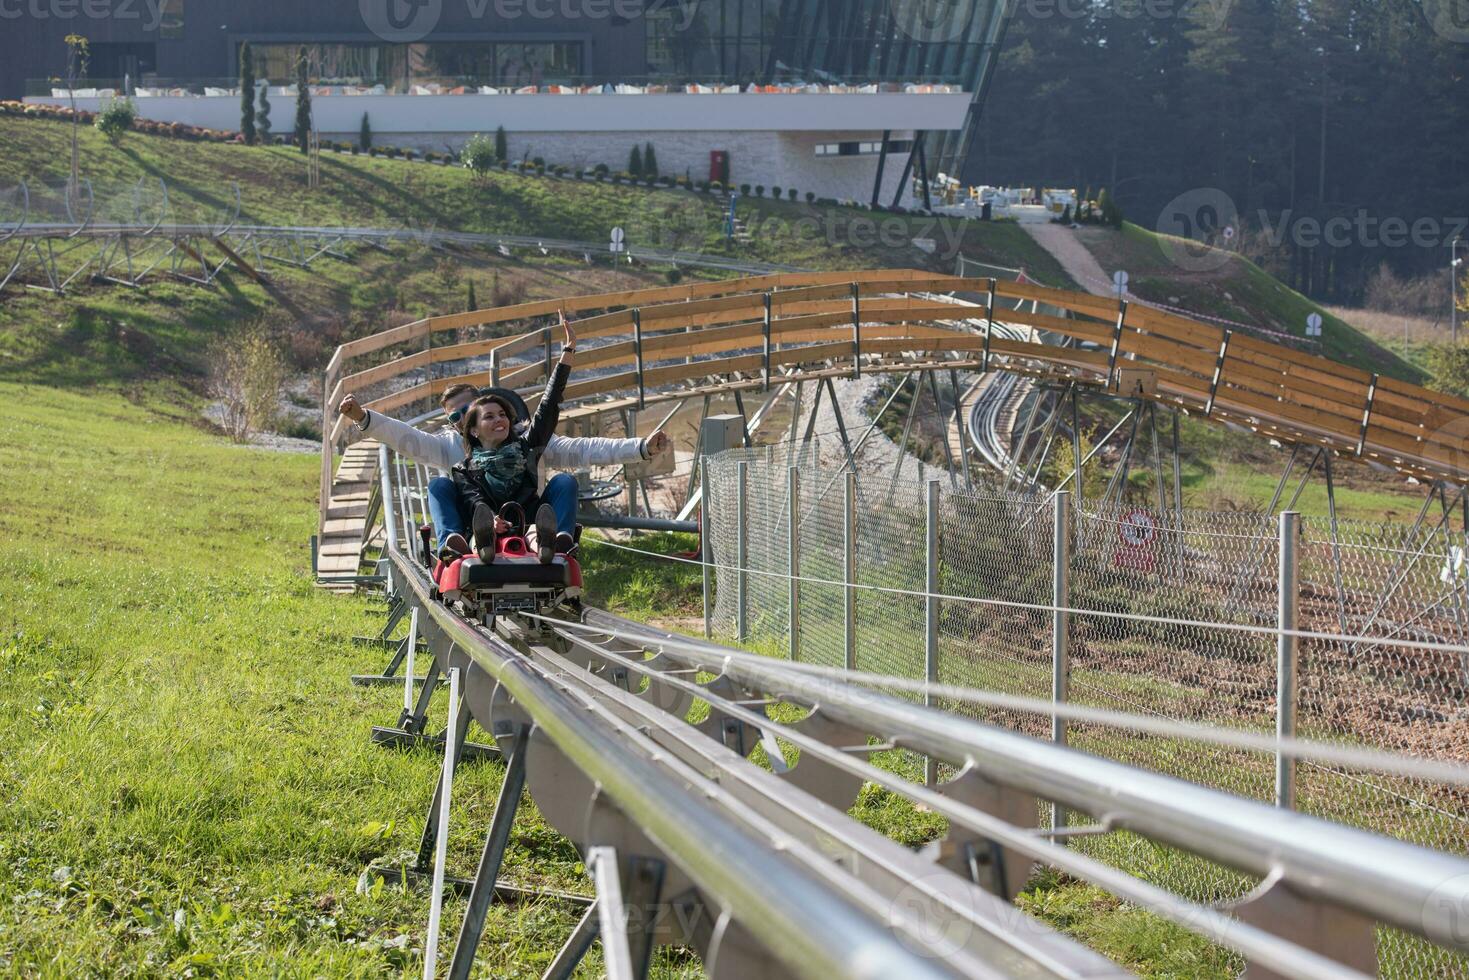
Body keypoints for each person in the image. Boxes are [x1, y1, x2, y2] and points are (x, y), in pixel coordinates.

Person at [337, 333, 669, 557]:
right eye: (456, 417)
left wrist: (641, 447)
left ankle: (557, 543)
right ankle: (456, 544)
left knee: (564, 480)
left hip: (528, 517)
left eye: (470, 410)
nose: (463, 420)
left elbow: (584, 447)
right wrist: (363, 417)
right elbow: (405, 438)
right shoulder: (454, 451)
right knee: (440, 483)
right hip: (479, 520)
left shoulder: (528, 442)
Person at [453, 314, 577, 563]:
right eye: (489, 417)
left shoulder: (526, 448)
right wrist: (488, 516)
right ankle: (484, 542)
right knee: (474, 522)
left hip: (528, 522)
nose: (499, 420)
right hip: (487, 527)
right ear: (474, 430)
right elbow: (473, 499)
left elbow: (548, 406)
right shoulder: (464, 469)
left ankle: (553, 542)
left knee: (564, 481)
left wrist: (567, 353)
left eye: (502, 415)